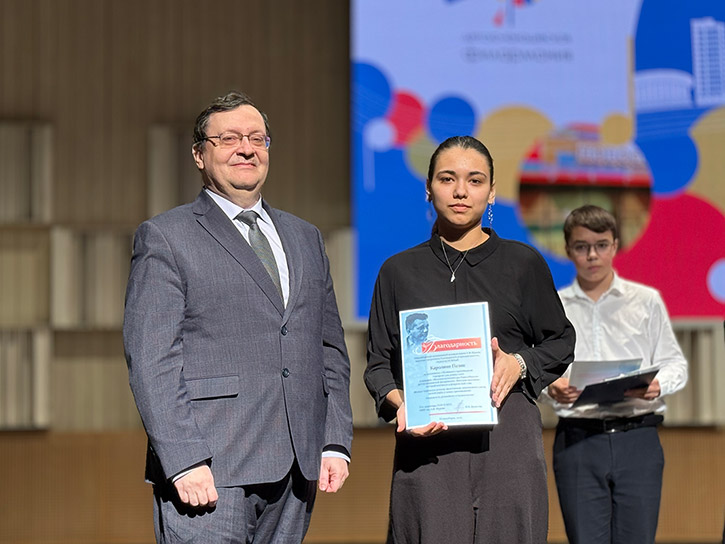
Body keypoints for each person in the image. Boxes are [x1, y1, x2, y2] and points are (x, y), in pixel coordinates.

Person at [123, 91, 353, 543]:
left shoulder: (305, 237)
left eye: (257, 138)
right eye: (228, 138)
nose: (246, 149)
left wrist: (334, 439)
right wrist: (183, 458)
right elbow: (152, 358)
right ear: (199, 155)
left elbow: (329, 348)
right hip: (210, 467)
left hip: (297, 468)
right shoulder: (165, 236)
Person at [364, 135, 575, 543]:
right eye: (447, 179)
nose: (461, 191)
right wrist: (402, 404)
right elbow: (377, 365)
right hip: (428, 446)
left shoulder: (523, 263)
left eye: (475, 180)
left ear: (491, 192)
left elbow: (560, 340)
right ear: (428, 188)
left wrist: (519, 363)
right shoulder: (398, 271)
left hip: (507, 438)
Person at [541, 205, 688, 544]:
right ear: (568, 250)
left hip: (637, 437)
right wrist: (552, 387)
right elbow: (541, 371)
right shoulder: (554, 307)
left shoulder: (645, 300)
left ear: (615, 245)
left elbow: (675, 364)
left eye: (601, 245)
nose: (592, 255)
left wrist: (658, 384)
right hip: (578, 440)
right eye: (582, 246)